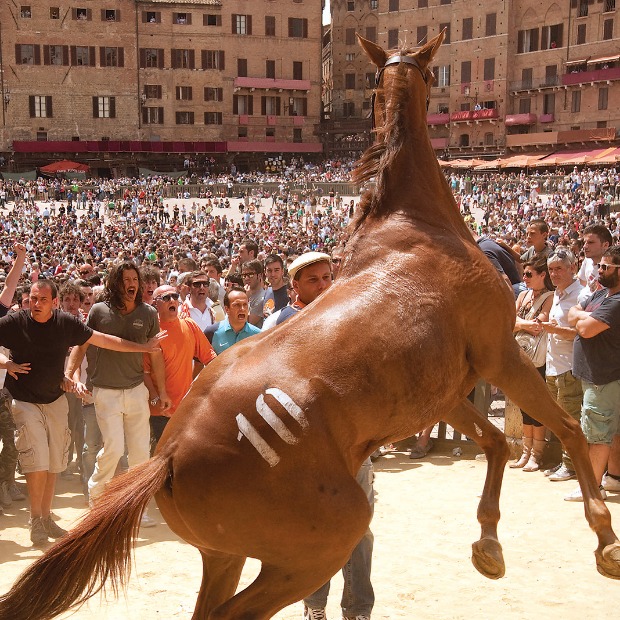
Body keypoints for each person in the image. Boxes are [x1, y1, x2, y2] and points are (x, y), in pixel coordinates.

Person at [0, 278, 164, 545]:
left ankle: (46, 517)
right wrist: (7, 363)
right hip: (25, 401)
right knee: (38, 459)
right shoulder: (15, 322)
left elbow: (104, 340)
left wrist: (143, 347)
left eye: (43, 300)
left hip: (56, 399)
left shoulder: (65, 323)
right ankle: (35, 520)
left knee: (54, 462)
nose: (36, 304)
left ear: (54, 302)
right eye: (32, 298)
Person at [271, 252, 374, 620]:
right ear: (294, 286)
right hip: (308, 446)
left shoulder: (348, 318)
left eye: (328, 277)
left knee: (360, 528)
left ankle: (359, 608)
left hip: (353, 440)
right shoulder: (284, 323)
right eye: (313, 279)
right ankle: (315, 606)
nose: (324, 285)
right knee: (315, 529)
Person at [65, 261, 170, 527]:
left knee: (139, 454)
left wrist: (162, 390)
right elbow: (82, 342)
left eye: (135, 278)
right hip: (106, 392)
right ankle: (97, 498)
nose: (132, 283)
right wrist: (71, 373)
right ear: (116, 283)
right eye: (126, 279)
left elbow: (154, 352)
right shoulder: (99, 311)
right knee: (113, 449)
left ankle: (137, 508)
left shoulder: (148, 313)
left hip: (136, 391)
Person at [566, 246, 620, 501]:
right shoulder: (602, 296)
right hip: (599, 377)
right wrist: (584, 316)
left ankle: (592, 487)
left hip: (604, 378)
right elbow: (571, 314)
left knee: (598, 434)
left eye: (606, 267)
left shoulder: (617, 302)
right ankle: (613, 478)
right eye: (600, 266)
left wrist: (583, 318)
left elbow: (585, 329)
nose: (599, 270)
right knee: (612, 431)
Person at [145, 284, 216, 446]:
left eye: (175, 296)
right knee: (159, 459)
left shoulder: (190, 325)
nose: (172, 300)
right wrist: (156, 398)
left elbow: (210, 358)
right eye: (166, 298)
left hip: (185, 409)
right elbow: (144, 373)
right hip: (159, 413)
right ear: (155, 304)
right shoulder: (151, 332)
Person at [540, 248, 583, 482]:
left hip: (569, 367)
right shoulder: (557, 294)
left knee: (571, 419)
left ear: (572, 268)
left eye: (559, 269)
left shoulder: (581, 295)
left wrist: (557, 330)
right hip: (554, 366)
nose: (554, 274)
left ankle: (572, 466)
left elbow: (583, 333)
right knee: (561, 420)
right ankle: (565, 462)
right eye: (551, 269)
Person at [510, 256, 553, 472]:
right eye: (524, 274)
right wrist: (523, 324)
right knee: (524, 405)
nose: (524, 278)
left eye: (529, 274)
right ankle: (526, 452)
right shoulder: (524, 295)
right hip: (521, 355)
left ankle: (537, 454)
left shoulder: (549, 297)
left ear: (542, 275)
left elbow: (540, 324)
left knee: (537, 406)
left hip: (538, 359)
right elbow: (509, 321)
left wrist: (519, 324)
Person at [204, 287, 261, 354]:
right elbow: (199, 362)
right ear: (227, 309)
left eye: (245, 305)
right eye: (237, 305)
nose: (242, 309)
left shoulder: (258, 335)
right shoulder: (211, 332)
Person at [577, 224, 613, 305]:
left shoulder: (614, 268)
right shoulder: (587, 260)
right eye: (584, 242)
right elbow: (582, 282)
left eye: (590, 242)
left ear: (605, 245)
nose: (585, 246)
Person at [241, 260, 266, 327]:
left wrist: (245, 299)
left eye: (250, 275)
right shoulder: (245, 294)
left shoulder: (262, 298)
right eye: (244, 275)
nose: (246, 278)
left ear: (260, 275)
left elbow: (248, 323)